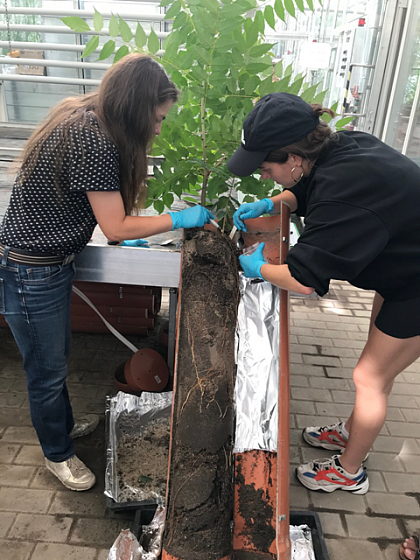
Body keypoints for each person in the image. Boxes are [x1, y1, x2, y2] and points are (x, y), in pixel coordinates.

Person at [0, 53, 214, 491]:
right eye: (156, 119)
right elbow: (115, 226)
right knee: (46, 370)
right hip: (30, 272)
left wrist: (130, 232)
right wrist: (180, 219)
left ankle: (60, 427)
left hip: (45, 266)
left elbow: (106, 220)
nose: (157, 129)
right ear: (135, 107)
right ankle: (56, 454)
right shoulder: (93, 140)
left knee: (54, 358)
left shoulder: (81, 115)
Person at [227, 92, 420, 495]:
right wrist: (275, 202)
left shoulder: (347, 189)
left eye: (267, 169)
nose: (265, 176)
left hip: (415, 283)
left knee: (369, 376)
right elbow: (309, 189)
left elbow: (303, 279)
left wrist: (257, 268)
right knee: (375, 362)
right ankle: (352, 431)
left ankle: (349, 472)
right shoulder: (341, 146)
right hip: (402, 270)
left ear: (294, 157)